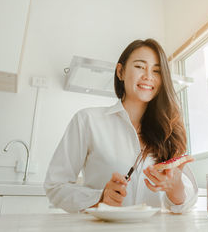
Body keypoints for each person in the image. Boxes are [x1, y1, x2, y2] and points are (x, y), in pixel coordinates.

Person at [44, 38, 198, 213]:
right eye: (140, 67)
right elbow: (55, 186)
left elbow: (186, 204)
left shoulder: (169, 130)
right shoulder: (87, 120)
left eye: (156, 70)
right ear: (121, 72)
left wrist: (175, 187)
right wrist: (99, 199)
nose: (148, 76)